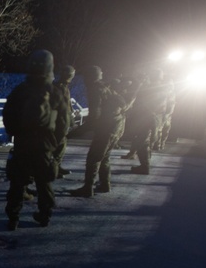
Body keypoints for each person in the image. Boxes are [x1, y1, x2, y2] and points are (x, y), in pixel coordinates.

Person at [2, 49, 61, 230]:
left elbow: (8, 115)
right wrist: (54, 142)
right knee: (44, 182)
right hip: (44, 145)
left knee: (18, 182)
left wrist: (15, 133)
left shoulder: (21, 90)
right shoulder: (55, 92)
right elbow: (64, 122)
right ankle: (44, 216)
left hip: (23, 142)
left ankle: (13, 217)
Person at [70, 66, 140, 198]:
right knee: (104, 156)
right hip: (117, 125)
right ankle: (105, 184)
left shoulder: (95, 90)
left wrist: (74, 133)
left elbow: (94, 117)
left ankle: (88, 188)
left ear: (89, 77)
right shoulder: (106, 87)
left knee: (94, 158)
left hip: (107, 128)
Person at [128, 68, 173, 175]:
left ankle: (145, 167)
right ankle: (145, 165)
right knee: (149, 141)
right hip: (157, 117)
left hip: (146, 117)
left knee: (142, 142)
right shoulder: (165, 88)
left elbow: (140, 101)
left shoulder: (149, 87)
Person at [52, 65, 76, 178]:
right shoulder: (58, 87)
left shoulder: (64, 87)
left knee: (61, 146)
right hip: (59, 122)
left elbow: (68, 106)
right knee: (58, 146)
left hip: (63, 121)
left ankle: (57, 167)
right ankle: (53, 170)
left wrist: (71, 121)